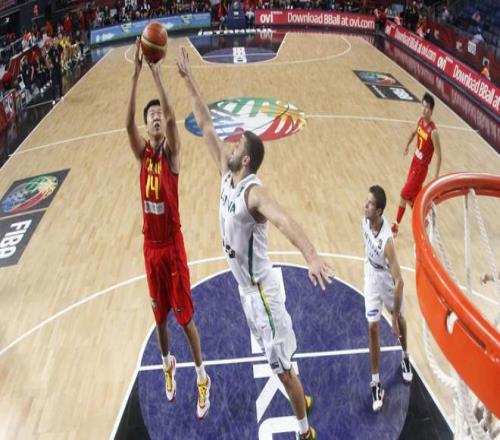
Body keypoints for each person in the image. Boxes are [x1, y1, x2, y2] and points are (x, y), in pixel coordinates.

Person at [177, 46, 334, 440]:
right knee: (276, 362)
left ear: (246, 160)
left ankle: (305, 431)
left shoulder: (253, 193)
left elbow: (284, 219)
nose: (230, 147)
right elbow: (205, 124)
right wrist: (190, 80)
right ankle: (297, 395)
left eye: (237, 147)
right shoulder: (226, 174)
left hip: (263, 293)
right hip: (247, 292)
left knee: (281, 369)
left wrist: (311, 255)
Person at [126, 39, 211, 419]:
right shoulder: (142, 153)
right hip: (151, 248)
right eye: (152, 116)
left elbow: (175, 121)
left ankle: (202, 375)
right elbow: (126, 124)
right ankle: (167, 364)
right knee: (159, 318)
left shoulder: (171, 156)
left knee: (184, 318)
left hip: (172, 248)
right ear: (146, 127)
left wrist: (158, 76)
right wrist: (135, 77)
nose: (157, 117)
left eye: (160, 114)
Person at [364, 185, 412, 412]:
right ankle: (375, 383)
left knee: (399, 319)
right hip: (370, 276)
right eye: (366, 202)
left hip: (387, 280)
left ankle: (405, 356)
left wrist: (392, 320)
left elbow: (400, 281)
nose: (365, 206)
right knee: (372, 326)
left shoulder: (388, 242)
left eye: (370, 204)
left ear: (379, 211)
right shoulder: (365, 222)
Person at [392, 93, 442, 236]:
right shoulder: (420, 121)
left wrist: (436, 178)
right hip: (414, 164)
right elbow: (414, 133)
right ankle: (423, 220)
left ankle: (395, 226)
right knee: (411, 199)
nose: (424, 109)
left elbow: (439, 156)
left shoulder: (433, 132)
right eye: (423, 106)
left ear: (431, 110)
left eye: (427, 107)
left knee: (404, 194)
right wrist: (407, 145)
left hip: (420, 169)